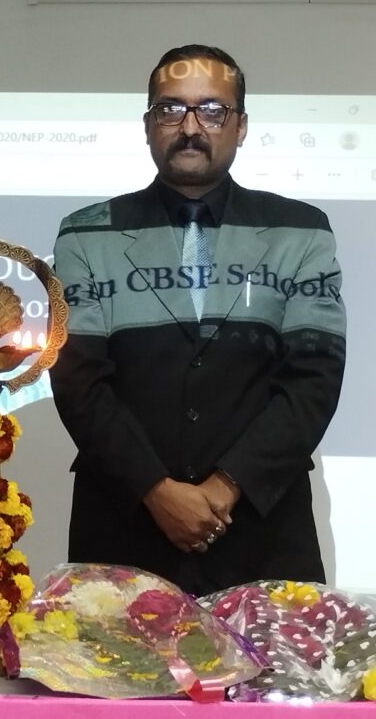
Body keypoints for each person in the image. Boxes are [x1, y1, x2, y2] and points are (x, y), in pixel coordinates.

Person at [51, 45, 346, 595]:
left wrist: (225, 487)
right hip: (125, 528)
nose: (190, 127)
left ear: (240, 127)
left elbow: (314, 378)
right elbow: (78, 380)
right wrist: (158, 491)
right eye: (170, 110)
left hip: (262, 528)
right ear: (147, 126)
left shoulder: (301, 231)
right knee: (115, 682)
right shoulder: (86, 232)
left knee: (276, 682)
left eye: (212, 111)